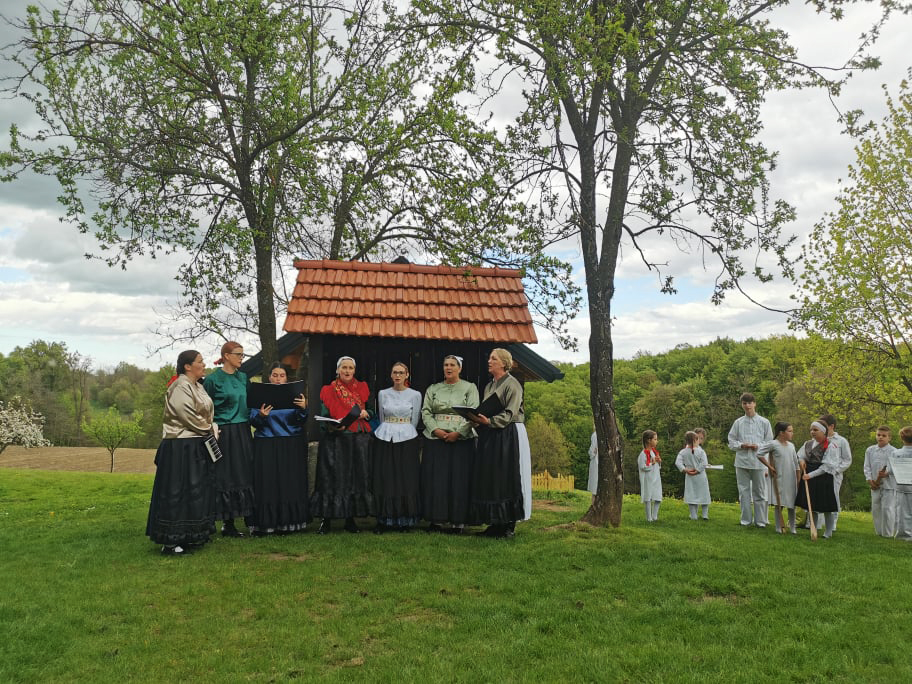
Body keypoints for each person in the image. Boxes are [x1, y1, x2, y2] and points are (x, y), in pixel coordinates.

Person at [146, 350, 216, 555]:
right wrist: (210, 429)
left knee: (194, 491)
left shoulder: (198, 386)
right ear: (187, 366)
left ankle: (189, 535)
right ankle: (170, 542)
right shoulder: (180, 386)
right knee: (176, 491)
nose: (204, 365)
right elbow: (187, 416)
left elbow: (207, 412)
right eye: (200, 361)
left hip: (195, 444)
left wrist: (210, 426)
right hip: (179, 445)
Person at [469, 348, 530, 538]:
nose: (489, 361)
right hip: (491, 433)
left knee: (507, 476)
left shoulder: (513, 384)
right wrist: (476, 419)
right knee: (493, 477)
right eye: (489, 358)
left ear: (503, 363)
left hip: (509, 433)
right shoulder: (489, 386)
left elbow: (511, 412)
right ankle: (494, 523)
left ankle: (508, 525)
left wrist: (490, 421)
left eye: (493, 359)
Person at [310, 356, 374, 533]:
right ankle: (326, 519)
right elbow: (324, 414)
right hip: (335, 440)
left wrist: (366, 413)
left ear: (354, 370)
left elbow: (371, 411)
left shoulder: (362, 388)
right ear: (338, 370)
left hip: (357, 440)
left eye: (350, 368)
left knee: (354, 478)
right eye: (344, 367)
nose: (347, 371)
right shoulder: (328, 390)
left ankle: (350, 519)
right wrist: (332, 425)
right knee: (330, 478)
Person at [247, 362, 310, 536]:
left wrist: (303, 408)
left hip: (291, 443)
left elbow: (301, 420)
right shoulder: (259, 395)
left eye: (282, 376)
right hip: (266, 443)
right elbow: (253, 421)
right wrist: (261, 415)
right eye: (275, 375)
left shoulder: (295, 395)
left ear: (286, 378)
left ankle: (290, 521)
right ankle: (267, 522)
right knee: (268, 482)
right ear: (269, 377)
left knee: (290, 482)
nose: (278, 379)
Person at [420, 354, 479, 534]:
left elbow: (473, 413)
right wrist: (435, 430)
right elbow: (425, 412)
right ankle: (436, 519)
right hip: (436, 439)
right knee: (436, 480)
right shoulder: (433, 388)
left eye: (453, 365)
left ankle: (458, 522)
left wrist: (458, 433)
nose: (448, 368)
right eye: (446, 364)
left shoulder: (469, 388)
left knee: (459, 480)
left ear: (460, 368)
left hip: (461, 440)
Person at [203, 341, 255, 537]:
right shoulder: (212, 380)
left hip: (243, 430)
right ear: (226, 356)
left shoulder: (243, 378)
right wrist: (211, 429)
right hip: (223, 432)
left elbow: (250, 403)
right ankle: (224, 522)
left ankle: (248, 519)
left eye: (243, 354)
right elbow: (205, 409)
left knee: (243, 473)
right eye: (238, 354)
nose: (242, 358)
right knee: (224, 475)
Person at [372, 362, 422, 533]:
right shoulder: (383, 393)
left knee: (405, 477)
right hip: (386, 437)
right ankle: (384, 519)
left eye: (401, 372)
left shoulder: (415, 395)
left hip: (407, 438)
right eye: (395, 372)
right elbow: (381, 416)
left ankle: (405, 519)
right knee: (386, 476)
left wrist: (405, 431)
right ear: (391, 375)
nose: (398, 376)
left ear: (407, 375)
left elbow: (415, 419)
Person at [727, 392, 773, 527]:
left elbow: (769, 442)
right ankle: (746, 520)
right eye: (745, 403)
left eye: (750, 403)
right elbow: (731, 441)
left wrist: (757, 446)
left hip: (759, 462)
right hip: (742, 462)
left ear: (754, 404)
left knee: (760, 492)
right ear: (742, 405)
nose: (747, 406)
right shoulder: (738, 422)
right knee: (744, 492)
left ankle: (761, 521)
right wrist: (742, 445)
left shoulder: (764, 422)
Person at [795, 420, 841, 538]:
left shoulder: (831, 445)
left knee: (826, 506)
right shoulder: (808, 443)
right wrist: (801, 461)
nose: (812, 432)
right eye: (811, 430)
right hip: (809, 474)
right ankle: (813, 527)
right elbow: (800, 455)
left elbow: (827, 466)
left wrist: (810, 475)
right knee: (812, 505)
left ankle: (828, 532)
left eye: (815, 430)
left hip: (823, 477)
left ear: (824, 431)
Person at [757, 422, 801, 534]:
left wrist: (798, 479)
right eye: (789, 431)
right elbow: (759, 454)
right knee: (779, 502)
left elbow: (796, 464)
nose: (792, 433)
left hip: (791, 478)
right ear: (781, 433)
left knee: (792, 503)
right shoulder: (773, 444)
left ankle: (793, 528)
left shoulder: (791, 446)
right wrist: (770, 467)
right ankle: (778, 527)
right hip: (779, 477)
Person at [820, 414, 852, 530]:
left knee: (833, 497)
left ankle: (832, 524)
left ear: (831, 426)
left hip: (834, 475)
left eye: (824, 425)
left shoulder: (841, 441)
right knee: (819, 497)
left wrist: (836, 470)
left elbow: (847, 460)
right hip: (819, 473)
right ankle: (819, 523)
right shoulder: (819, 439)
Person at [863, 426, 896, 537]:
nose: (880, 437)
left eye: (884, 435)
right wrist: (870, 480)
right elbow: (866, 467)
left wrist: (886, 474)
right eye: (878, 435)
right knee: (876, 508)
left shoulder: (894, 452)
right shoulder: (870, 450)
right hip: (874, 484)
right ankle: (879, 532)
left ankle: (888, 533)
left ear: (889, 438)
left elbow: (895, 469)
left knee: (887, 509)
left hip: (889, 485)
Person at [676, 430, 710, 520]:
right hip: (700, 476)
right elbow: (704, 463)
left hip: (690, 476)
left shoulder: (683, 452)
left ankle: (693, 515)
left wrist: (685, 470)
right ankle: (705, 515)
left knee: (691, 495)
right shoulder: (701, 451)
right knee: (704, 494)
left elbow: (678, 462)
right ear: (695, 440)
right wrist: (698, 471)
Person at [892, 426, 912, 541]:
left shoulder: (896, 453)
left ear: (901, 438)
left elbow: (891, 470)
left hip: (901, 486)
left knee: (901, 512)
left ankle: (903, 535)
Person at [638, 430, 662, 521]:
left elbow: (657, 466)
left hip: (656, 477)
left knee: (658, 496)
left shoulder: (654, 452)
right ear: (649, 440)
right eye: (655, 439)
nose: (657, 441)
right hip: (648, 478)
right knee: (648, 497)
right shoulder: (643, 454)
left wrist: (658, 462)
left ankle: (655, 516)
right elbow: (642, 467)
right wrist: (652, 463)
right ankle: (649, 518)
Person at [587, 431, 598, 499]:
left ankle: (594, 504)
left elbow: (592, 451)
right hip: (598, 461)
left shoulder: (595, 435)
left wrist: (592, 453)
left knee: (595, 489)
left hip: (596, 461)